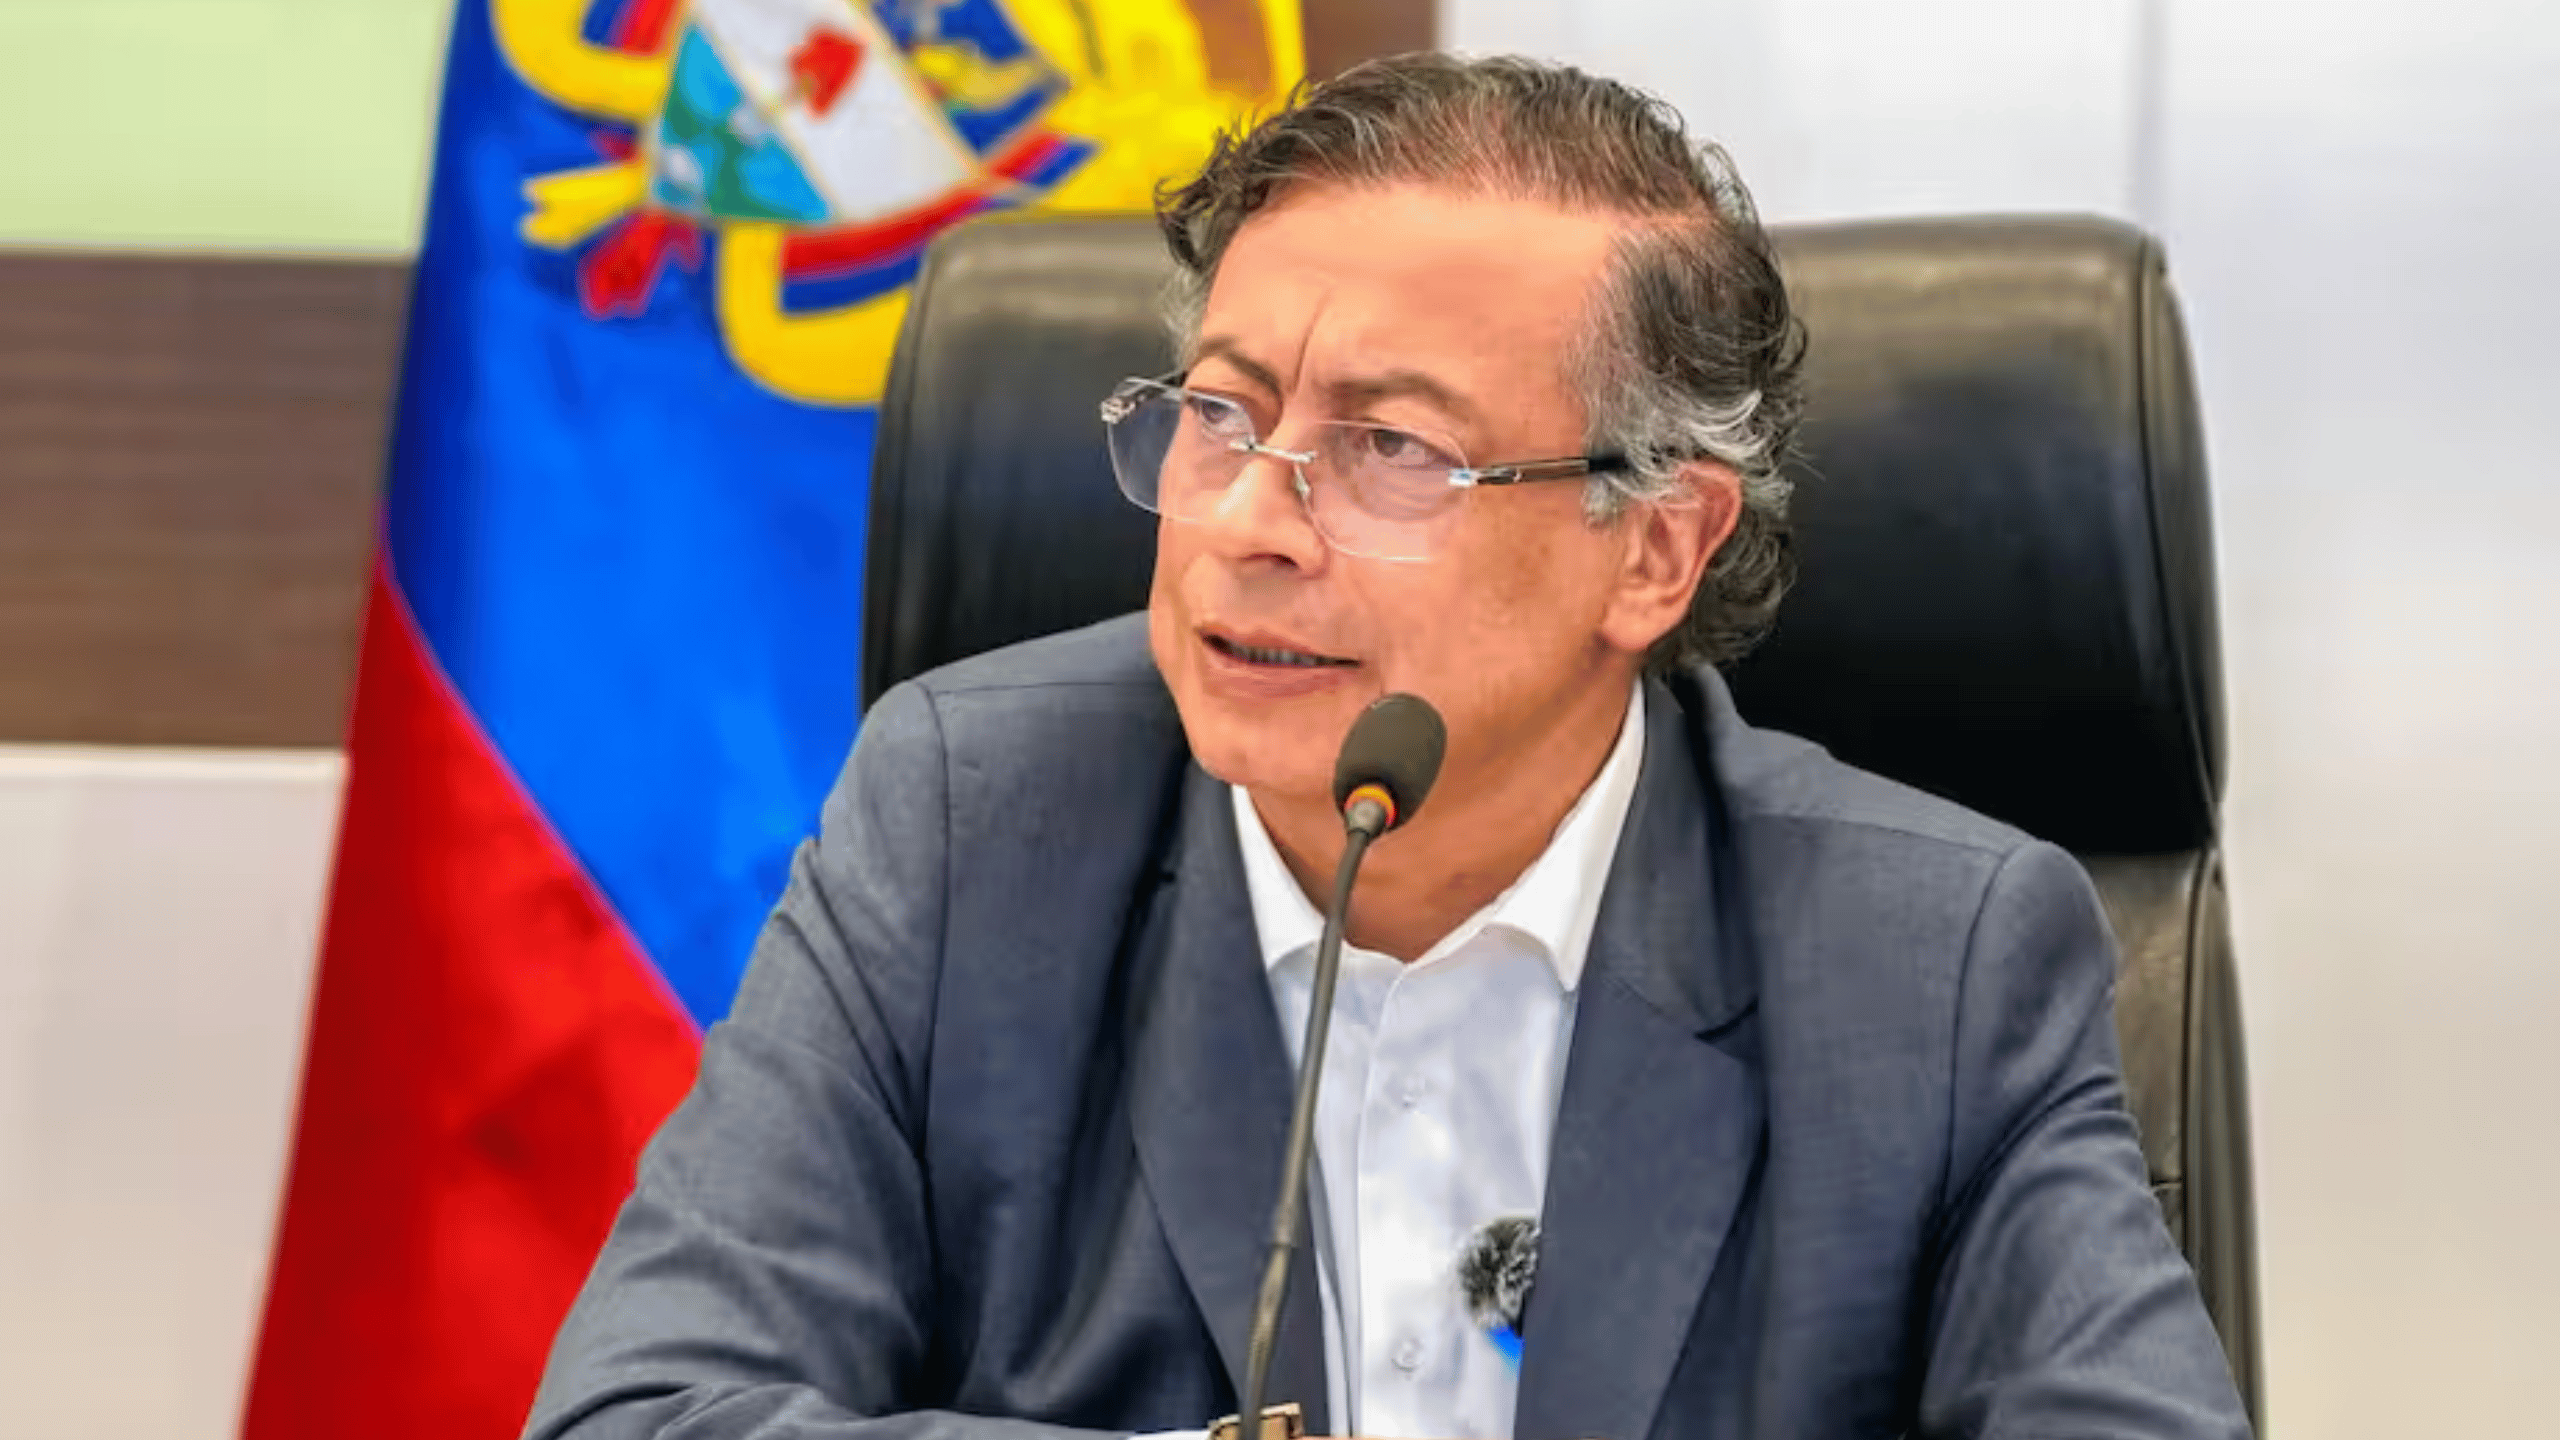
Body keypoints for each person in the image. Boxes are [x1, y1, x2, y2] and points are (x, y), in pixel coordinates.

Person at [526, 54, 2252, 1440]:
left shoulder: (1937, 961)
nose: (1244, 526)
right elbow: (645, 1411)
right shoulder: (971, 827)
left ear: (1656, 549)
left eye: (1392, 452)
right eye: (1219, 415)